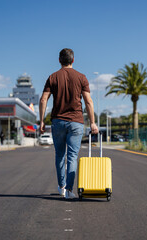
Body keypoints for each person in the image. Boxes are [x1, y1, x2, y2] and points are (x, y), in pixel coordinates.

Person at [39, 48, 98, 199]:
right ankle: (69, 191)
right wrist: (93, 123)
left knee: (60, 155)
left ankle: (61, 186)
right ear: (73, 60)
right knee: (72, 156)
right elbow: (88, 101)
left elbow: (43, 99)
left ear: (59, 60)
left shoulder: (53, 77)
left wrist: (41, 121)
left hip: (58, 121)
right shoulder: (81, 77)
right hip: (76, 122)